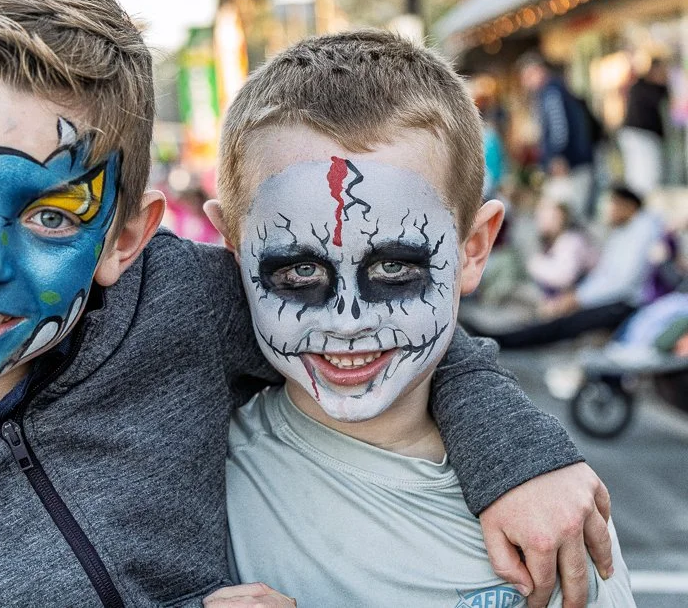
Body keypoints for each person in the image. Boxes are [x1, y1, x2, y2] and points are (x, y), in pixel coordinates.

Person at [0, 0, 612, 607]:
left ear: (128, 235)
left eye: (54, 214)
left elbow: (375, 313)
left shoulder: (178, 305)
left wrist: (516, 456)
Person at [205, 30, 634, 606]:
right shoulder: (192, 474)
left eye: (395, 269)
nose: (348, 320)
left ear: (473, 250)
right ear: (234, 247)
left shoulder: (554, 519)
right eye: (300, 274)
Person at [471, 186, 662, 349]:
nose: (607, 210)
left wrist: (579, 298)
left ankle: (502, 341)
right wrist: (578, 296)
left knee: (564, 324)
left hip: (624, 304)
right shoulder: (623, 231)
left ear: (628, 206)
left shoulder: (642, 231)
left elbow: (621, 282)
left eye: (612, 204)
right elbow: (604, 275)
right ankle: (500, 338)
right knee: (555, 318)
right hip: (605, 297)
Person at [518, 52, 596, 218]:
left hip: (571, 163)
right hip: (573, 162)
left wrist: (557, 156)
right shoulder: (552, 91)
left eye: (526, 76)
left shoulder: (551, 92)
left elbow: (559, 126)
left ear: (537, 71)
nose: (525, 83)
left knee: (571, 214)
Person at [618, 58, 669, 196]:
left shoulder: (642, 87)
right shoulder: (643, 87)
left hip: (638, 135)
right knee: (646, 176)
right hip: (641, 135)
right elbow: (659, 99)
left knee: (640, 175)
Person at [526, 198, 598, 297]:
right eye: (540, 216)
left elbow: (564, 278)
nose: (542, 221)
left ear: (562, 218)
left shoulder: (572, 240)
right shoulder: (550, 240)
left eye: (549, 217)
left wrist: (536, 264)